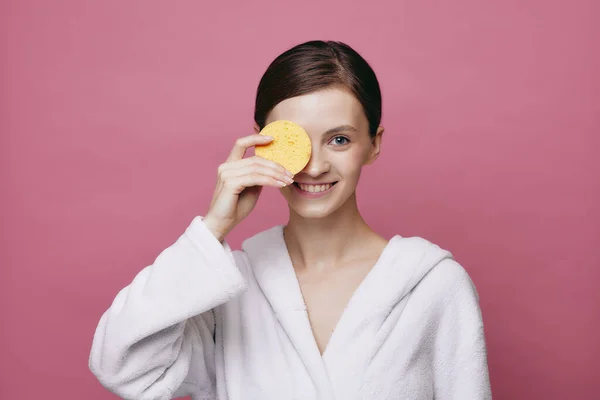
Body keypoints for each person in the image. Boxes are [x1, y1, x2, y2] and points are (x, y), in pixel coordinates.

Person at [89, 40, 492, 400]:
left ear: (374, 145)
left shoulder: (433, 285)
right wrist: (212, 229)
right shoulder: (226, 287)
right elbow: (124, 369)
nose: (314, 166)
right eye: (292, 141)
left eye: (339, 139)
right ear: (262, 142)